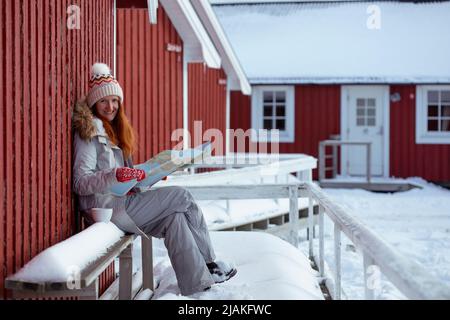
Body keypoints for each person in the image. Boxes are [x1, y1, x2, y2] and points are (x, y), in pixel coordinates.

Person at [72, 62, 237, 296]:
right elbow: (80, 182)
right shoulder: (89, 133)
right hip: (106, 209)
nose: (110, 106)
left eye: (114, 101)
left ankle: (198, 287)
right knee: (182, 196)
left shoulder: (115, 133)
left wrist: (150, 175)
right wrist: (114, 175)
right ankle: (210, 262)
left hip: (123, 204)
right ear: (94, 103)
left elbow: (124, 182)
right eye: (104, 101)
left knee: (175, 218)